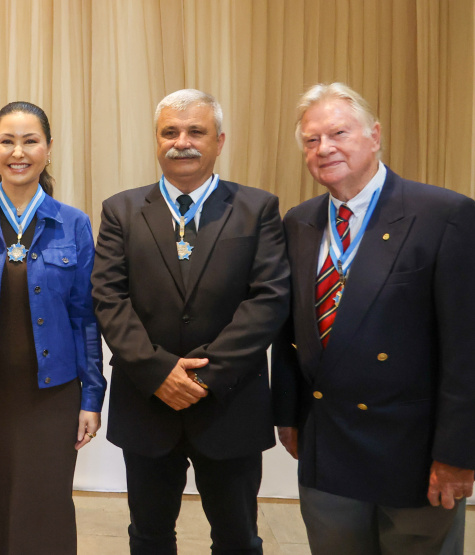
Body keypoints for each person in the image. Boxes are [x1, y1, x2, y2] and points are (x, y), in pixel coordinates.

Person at [272, 82, 475, 554]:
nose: (325, 149)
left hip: (415, 454)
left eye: (339, 133)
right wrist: (287, 415)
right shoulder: (299, 223)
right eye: (311, 140)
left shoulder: (443, 215)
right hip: (327, 446)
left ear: (375, 135)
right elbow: (290, 333)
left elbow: (467, 349)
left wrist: (458, 454)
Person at [92, 89, 290, 554]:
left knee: (238, 538)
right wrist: (160, 372)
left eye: (196, 131)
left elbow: (268, 299)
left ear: (219, 141)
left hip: (229, 404)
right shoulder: (120, 211)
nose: (183, 142)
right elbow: (108, 298)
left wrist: (204, 375)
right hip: (147, 403)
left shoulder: (257, 209)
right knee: (149, 535)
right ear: (157, 141)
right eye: (171, 132)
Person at [0, 101, 105, 553]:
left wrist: (92, 396)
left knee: (44, 508)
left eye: (30, 141)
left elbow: (85, 317)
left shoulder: (73, 223)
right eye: (7, 141)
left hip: (53, 394)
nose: (19, 151)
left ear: (48, 150)